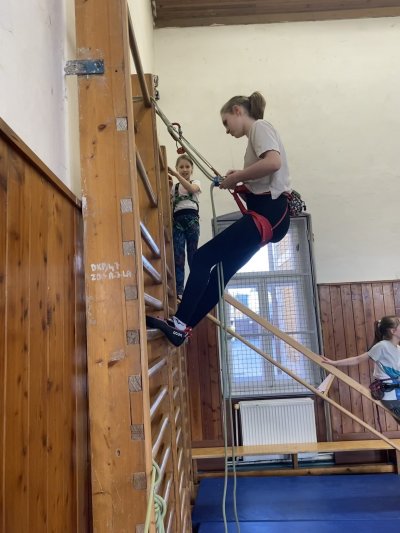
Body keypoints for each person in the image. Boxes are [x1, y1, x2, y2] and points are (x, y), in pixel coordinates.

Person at [147, 91, 291, 346]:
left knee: (203, 258)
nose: (226, 130)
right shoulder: (255, 136)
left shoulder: (259, 127)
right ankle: (182, 329)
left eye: (226, 122)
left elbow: (273, 163)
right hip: (270, 215)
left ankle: (179, 323)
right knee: (220, 274)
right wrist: (241, 178)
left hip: (270, 213)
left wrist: (239, 177)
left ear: (237, 111)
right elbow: (266, 175)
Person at [322, 316, 400, 424]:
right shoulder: (382, 346)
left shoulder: (398, 348)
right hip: (390, 394)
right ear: (393, 331)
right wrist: (335, 363)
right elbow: (357, 359)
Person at [169, 155, 201, 299]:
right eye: (181, 167)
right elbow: (169, 202)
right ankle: (180, 290)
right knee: (179, 256)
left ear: (192, 169)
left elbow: (191, 189)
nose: (184, 169)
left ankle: (194, 288)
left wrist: (176, 175)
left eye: (187, 166)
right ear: (177, 168)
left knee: (193, 255)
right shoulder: (174, 188)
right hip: (178, 222)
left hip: (192, 220)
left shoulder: (196, 183)